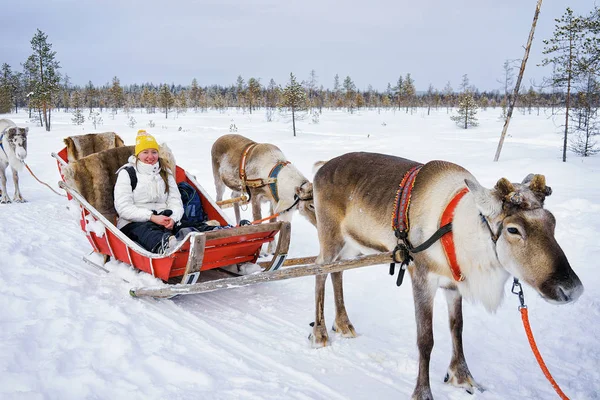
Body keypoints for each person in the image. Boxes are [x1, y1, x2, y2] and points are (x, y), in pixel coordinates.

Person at [114, 130, 185, 253]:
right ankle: (167, 246)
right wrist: (151, 217)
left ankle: (194, 239)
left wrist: (173, 218)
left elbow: (175, 200)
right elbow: (123, 208)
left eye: (154, 152)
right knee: (147, 232)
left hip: (164, 218)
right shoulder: (127, 173)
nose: (150, 157)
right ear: (137, 155)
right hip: (134, 222)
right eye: (145, 152)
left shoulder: (165, 173)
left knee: (186, 227)